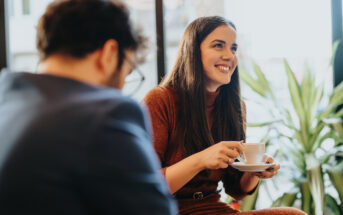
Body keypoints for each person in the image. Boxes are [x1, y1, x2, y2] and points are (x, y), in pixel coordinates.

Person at [0, 0, 177, 214]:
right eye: (127, 73)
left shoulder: (8, 101)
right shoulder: (105, 115)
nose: (121, 87)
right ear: (110, 53)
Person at [143, 16, 306, 215]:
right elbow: (144, 186)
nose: (230, 55)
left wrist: (254, 171)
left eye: (234, 48)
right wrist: (202, 159)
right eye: (218, 46)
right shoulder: (161, 100)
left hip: (213, 208)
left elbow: (235, 190)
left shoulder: (235, 107)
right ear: (192, 52)